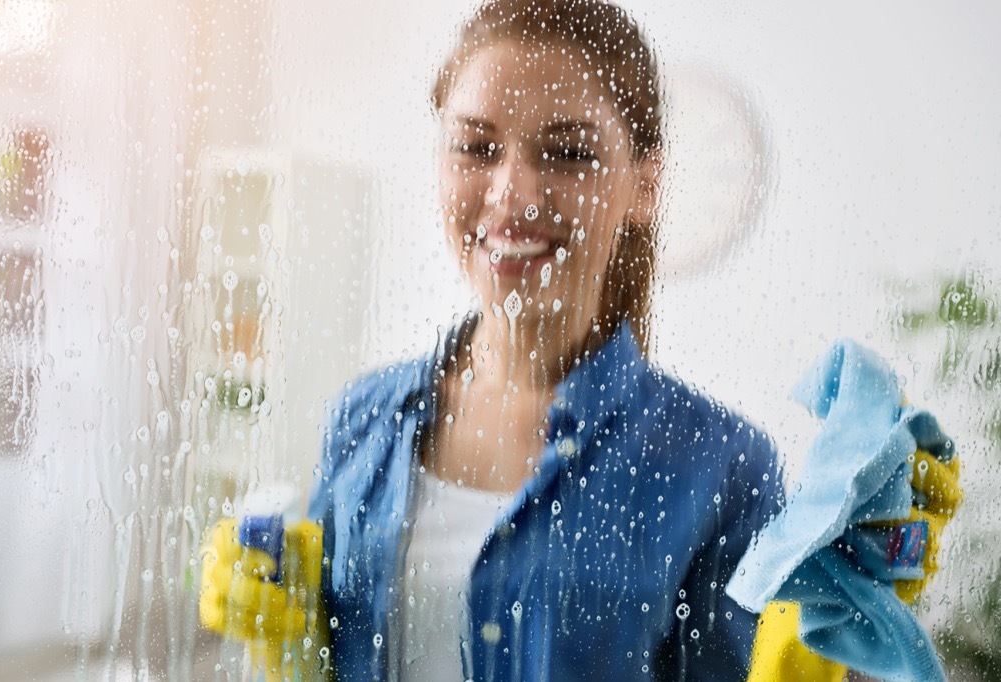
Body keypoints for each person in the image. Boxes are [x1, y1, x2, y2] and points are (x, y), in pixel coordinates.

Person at [199, 1, 961, 680]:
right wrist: (283, 639)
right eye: (476, 147)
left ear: (645, 187)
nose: (513, 195)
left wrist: (830, 648)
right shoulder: (362, 420)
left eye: (567, 153)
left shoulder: (724, 469)